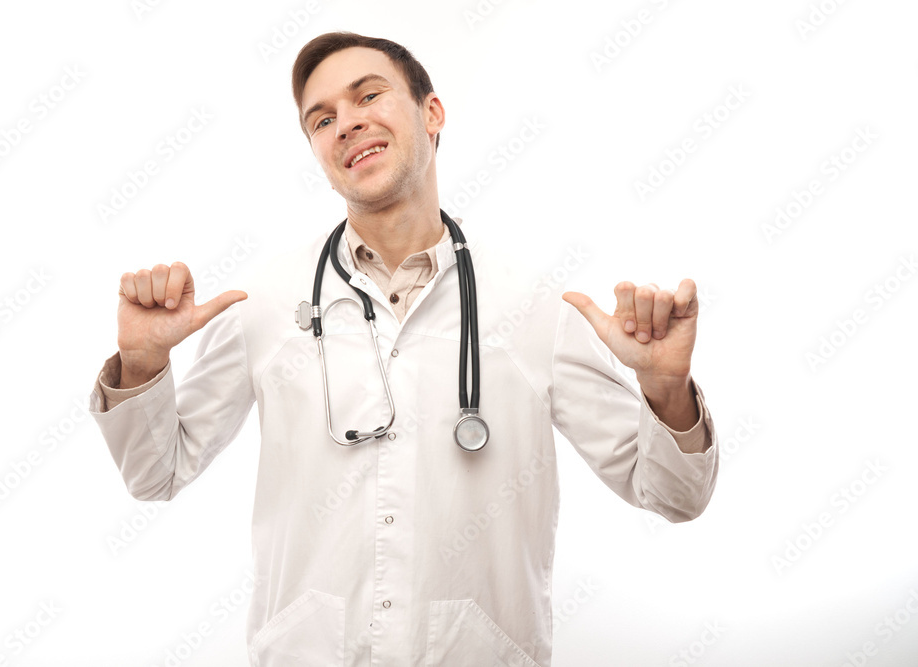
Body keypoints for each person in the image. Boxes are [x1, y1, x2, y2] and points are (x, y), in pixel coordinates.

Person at [88, 31, 719, 666]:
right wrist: (143, 364)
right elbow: (155, 473)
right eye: (323, 119)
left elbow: (673, 497)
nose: (347, 124)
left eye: (369, 96)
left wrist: (666, 391)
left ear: (432, 113)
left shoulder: (535, 308)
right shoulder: (263, 304)